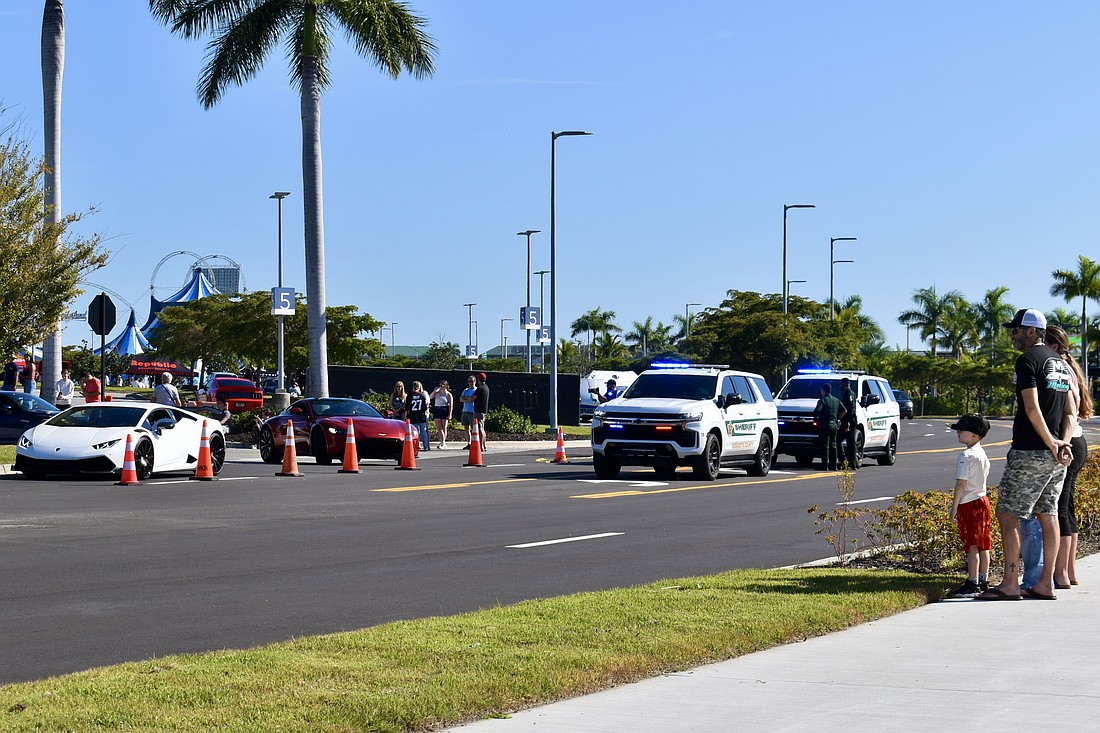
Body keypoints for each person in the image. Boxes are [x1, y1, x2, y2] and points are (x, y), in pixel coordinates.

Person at [977, 309, 1074, 602]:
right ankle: (1045, 583)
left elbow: (1032, 409)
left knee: (1008, 513)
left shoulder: (1028, 361)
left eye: (1017, 329)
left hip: (1030, 452)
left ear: (1032, 331)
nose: (1013, 335)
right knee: (1049, 514)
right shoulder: (1059, 363)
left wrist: (1050, 442)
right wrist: (1062, 443)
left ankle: (1009, 583)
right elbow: (1070, 411)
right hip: (1057, 455)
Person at [1045, 325, 1091, 588]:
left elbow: (1070, 405)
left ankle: (1061, 573)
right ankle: (1069, 571)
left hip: (1070, 441)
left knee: (1060, 508)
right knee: (1066, 506)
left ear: (1052, 347)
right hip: (1077, 441)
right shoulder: (1068, 367)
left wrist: (1062, 442)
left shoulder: (1059, 368)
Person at [946, 413, 992, 598]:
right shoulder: (982, 455)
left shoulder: (965, 456)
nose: (958, 432)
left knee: (971, 544)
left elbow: (961, 484)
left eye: (962, 429)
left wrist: (954, 507)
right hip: (983, 500)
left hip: (968, 503)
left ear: (974, 435)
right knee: (984, 543)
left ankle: (972, 582)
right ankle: (984, 579)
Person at [813, 383, 845, 470]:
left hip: (826, 425)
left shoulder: (822, 400)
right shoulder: (836, 400)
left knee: (825, 445)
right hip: (834, 424)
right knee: (833, 445)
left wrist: (816, 418)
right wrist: (837, 418)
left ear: (823, 390)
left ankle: (825, 466)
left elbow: (817, 411)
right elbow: (844, 411)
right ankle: (834, 466)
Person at [838, 377, 858, 470]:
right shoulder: (849, 393)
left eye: (841, 384)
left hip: (849, 422)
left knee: (847, 442)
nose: (840, 386)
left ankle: (848, 462)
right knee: (850, 443)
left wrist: (847, 422)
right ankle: (851, 463)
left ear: (846, 384)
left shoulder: (849, 394)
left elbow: (851, 410)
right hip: (848, 421)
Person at [405, 380, 431, 451]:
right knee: (423, 431)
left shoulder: (410, 396)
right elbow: (425, 407)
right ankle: (426, 446)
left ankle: (415, 447)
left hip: (413, 415)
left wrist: (406, 416)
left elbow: (407, 408)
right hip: (421, 415)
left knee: (415, 432)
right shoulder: (422, 395)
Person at [430, 380, 453, 449]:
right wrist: (434, 391)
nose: (441, 387)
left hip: (444, 409)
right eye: (440, 385)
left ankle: (443, 442)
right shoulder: (437, 393)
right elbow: (430, 397)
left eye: (442, 385)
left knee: (444, 427)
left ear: (445, 386)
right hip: (437, 409)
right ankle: (442, 441)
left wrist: (450, 414)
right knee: (439, 428)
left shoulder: (448, 394)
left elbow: (451, 405)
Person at [473, 372, 490, 451]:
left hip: (479, 411)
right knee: (482, 428)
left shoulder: (480, 388)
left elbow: (472, 398)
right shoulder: (486, 388)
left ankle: (481, 446)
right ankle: (484, 445)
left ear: (479, 379)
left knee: (479, 428)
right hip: (484, 410)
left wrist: (464, 399)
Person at [459, 375, 477, 449]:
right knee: (466, 427)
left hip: (472, 411)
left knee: (473, 428)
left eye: (472, 381)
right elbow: (461, 399)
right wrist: (468, 398)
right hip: (465, 410)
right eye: (469, 381)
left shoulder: (476, 390)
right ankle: (469, 442)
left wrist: (467, 398)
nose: (470, 383)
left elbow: (472, 399)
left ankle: (474, 442)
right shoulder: (466, 390)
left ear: (475, 381)